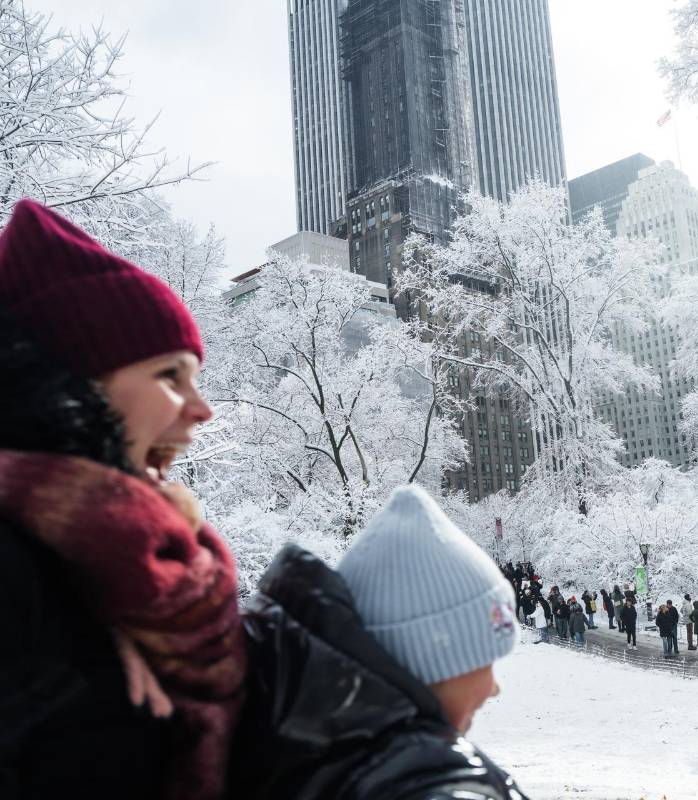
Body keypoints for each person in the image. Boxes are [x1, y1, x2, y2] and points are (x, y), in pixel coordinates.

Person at [0, 200, 245, 800]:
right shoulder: (19, 577)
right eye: (169, 376)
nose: (204, 409)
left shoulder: (121, 570)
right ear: (76, 386)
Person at [232, 485, 527, 799]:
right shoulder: (422, 782)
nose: (495, 688)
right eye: (486, 660)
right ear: (435, 660)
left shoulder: (316, 755)